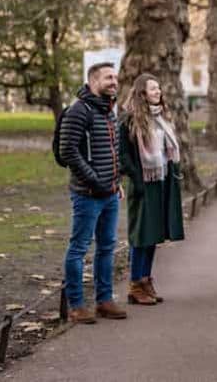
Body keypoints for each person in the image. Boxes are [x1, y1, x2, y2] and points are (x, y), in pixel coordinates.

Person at [59, 62, 126, 324]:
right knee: (79, 248)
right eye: (109, 77)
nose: (114, 82)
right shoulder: (79, 111)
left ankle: (104, 301)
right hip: (87, 194)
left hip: (110, 193)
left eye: (115, 77)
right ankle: (76, 306)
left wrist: (115, 180)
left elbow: (112, 150)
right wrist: (95, 180)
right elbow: (68, 152)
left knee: (107, 247)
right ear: (93, 80)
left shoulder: (109, 110)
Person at [119, 73, 185, 306]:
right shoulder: (129, 120)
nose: (158, 92)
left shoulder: (161, 118)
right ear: (142, 93)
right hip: (143, 184)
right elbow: (123, 155)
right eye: (153, 89)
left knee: (154, 235)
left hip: (161, 182)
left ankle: (146, 280)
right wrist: (136, 179)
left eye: (159, 88)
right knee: (141, 236)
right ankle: (135, 285)